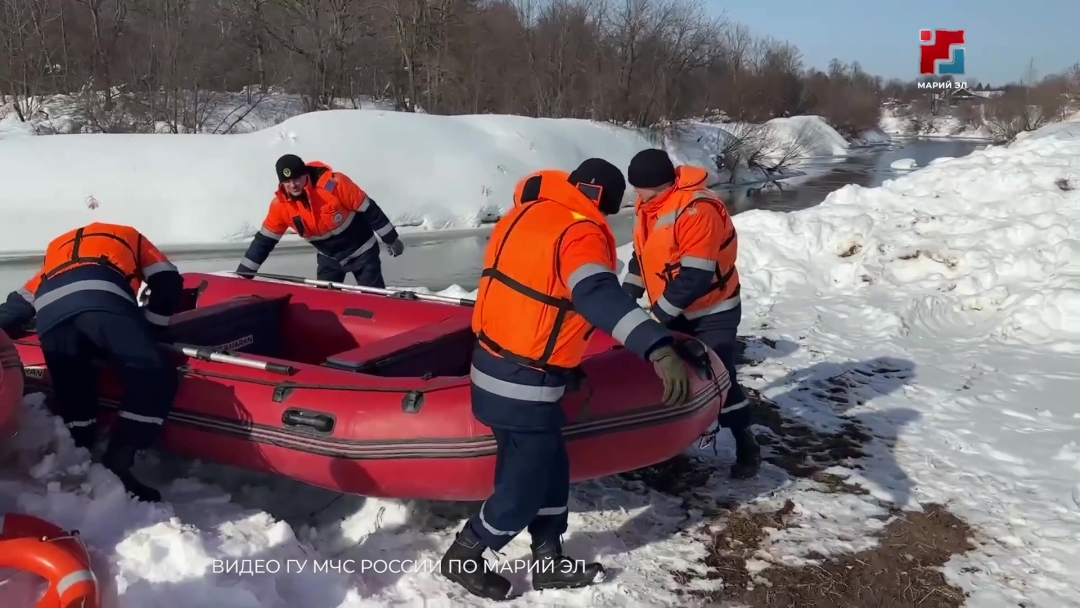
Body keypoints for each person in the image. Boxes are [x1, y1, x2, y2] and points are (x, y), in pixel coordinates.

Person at [439, 158, 695, 600]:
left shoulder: (527, 213)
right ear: (601, 200)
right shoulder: (579, 232)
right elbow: (594, 293)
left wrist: (564, 359)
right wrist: (658, 347)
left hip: (499, 366)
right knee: (526, 484)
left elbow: (534, 297)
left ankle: (549, 559)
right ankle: (466, 553)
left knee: (551, 466)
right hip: (521, 382)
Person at [0, 222, 184, 502]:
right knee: (153, 375)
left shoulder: (57, 252)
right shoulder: (130, 237)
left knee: (74, 389)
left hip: (51, 314)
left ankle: (80, 455)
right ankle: (119, 461)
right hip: (102, 299)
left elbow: (17, 305)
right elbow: (168, 280)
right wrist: (154, 328)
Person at [621, 149, 761, 479]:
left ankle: (746, 443)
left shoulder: (698, 209)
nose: (634, 195)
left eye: (639, 188)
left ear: (658, 185)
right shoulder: (648, 206)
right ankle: (676, 438)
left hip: (713, 309)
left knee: (719, 376)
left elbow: (696, 275)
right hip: (674, 308)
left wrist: (657, 317)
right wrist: (626, 297)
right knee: (671, 373)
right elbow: (643, 256)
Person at [235, 154, 405, 286]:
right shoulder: (280, 206)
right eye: (287, 181)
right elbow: (263, 243)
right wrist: (242, 276)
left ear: (305, 176)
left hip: (362, 251)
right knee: (326, 301)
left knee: (374, 298)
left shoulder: (335, 184)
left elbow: (370, 210)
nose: (293, 185)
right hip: (329, 257)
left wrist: (391, 239)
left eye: (297, 179)